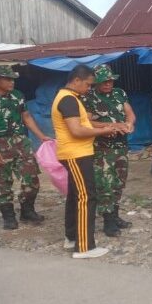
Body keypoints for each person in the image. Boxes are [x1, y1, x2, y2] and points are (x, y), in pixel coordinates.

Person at [52, 64, 118, 258]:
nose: (90, 88)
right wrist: (104, 130)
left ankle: (72, 237)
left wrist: (104, 124)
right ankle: (84, 246)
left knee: (75, 196)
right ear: (77, 80)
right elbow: (77, 130)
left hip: (78, 152)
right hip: (76, 153)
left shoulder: (71, 98)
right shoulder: (68, 99)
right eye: (88, 84)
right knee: (86, 197)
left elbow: (84, 123)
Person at [82, 65, 135, 237]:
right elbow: (87, 123)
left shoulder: (119, 93)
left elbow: (129, 113)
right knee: (104, 184)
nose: (108, 84)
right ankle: (108, 221)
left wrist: (129, 124)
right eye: (104, 81)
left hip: (121, 147)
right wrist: (111, 125)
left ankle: (115, 214)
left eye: (111, 80)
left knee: (119, 183)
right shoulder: (89, 97)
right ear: (96, 81)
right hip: (102, 149)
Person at [0, 65, 52, 230]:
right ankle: (8, 216)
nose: (12, 82)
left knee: (31, 177)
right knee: (2, 182)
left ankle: (27, 211)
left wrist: (41, 136)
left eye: (13, 79)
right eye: (8, 79)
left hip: (21, 141)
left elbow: (26, 117)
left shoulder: (17, 96)